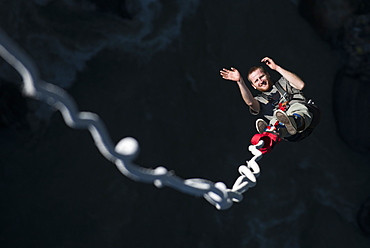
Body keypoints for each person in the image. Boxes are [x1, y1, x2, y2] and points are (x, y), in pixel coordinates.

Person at [220, 57, 316, 141]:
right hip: (292, 135)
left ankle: (294, 121)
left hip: (307, 118)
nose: (260, 81)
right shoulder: (260, 100)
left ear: (268, 75)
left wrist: (276, 68)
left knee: (295, 107)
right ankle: (271, 135)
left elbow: (301, 85)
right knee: (275, 121)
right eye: (256, 81)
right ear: (253, 86)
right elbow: (250, 102)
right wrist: (240, 81)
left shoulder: (284, 82)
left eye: (261, 77)